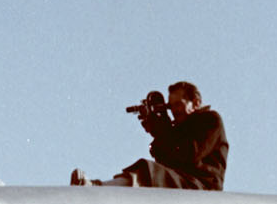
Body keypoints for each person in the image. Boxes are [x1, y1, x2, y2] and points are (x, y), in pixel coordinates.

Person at [72, 81, 227, 191]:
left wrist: (164, 131)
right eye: (171, 106)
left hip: (202, 185)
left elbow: (189, 154)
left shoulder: (210, 120)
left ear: (196, 102)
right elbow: (166, 161)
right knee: (150, 172)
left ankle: (97, 188)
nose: (174, 110)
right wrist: (159, 133)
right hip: (185, 181)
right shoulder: (179, 129)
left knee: (146, 171)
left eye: (179, 104)